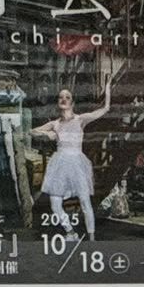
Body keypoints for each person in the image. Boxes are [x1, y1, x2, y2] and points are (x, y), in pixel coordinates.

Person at [32, 78, 112, 239]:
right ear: (58, 102)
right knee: (55, 204)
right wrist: (48, 134)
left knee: (85, 202)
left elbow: (105, 108)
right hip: (60, 164)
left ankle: (92, 239)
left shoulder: (80, 119)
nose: (63, 99)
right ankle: (71, 232)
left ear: (72, 103)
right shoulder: (55, 124)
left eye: (67, 97)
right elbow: (32, 131)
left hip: (77, 163)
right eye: (61, 97)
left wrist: (108, 88)